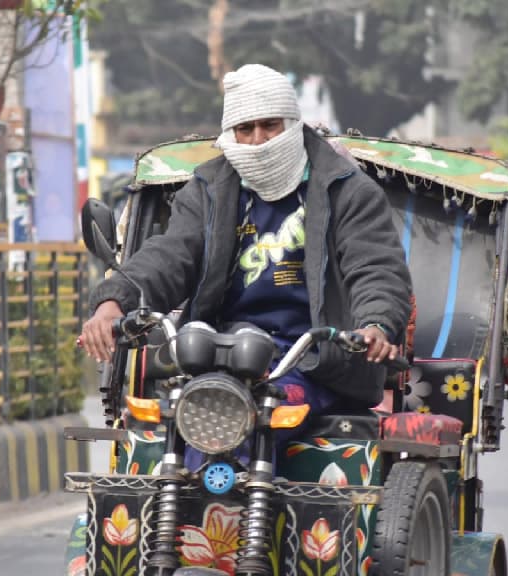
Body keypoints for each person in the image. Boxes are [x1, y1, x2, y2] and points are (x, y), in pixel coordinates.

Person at [80, 63, 412, 458]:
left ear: (292, 123)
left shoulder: (349, 191)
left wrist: (374, 325)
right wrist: (113, 301)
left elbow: (375, 270)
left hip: (315, 362)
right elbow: (170, 255)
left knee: (248, 423)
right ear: (230, 134)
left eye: (270, 126)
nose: (258, 141)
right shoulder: (208, 190)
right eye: (246, 129)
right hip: (220, 358)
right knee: (173, 434)